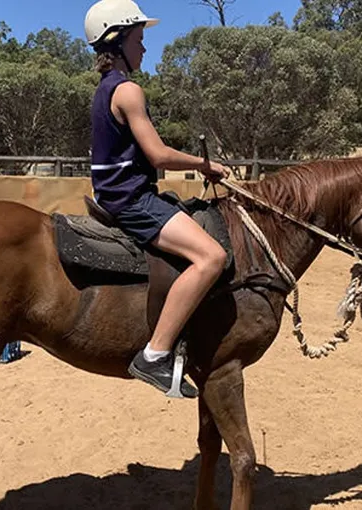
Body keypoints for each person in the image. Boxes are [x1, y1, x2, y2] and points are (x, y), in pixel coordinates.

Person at [85, 0, 233, 398]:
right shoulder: (129, 90)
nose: (145, 48)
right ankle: (155, 353)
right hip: (131, 200)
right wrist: (205, 165)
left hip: (120, 194)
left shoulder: (105, 89)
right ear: (117, 41)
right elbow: (158, 154)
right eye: (139, 39)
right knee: (212, 258)